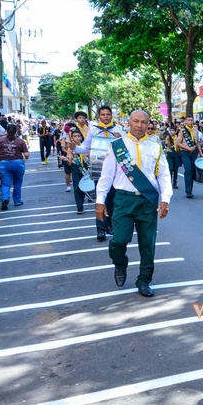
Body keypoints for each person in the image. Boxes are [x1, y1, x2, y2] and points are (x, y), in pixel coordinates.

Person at [95, 110, 172, 297]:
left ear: (148, 124)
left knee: (148, 244)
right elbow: (106, 176)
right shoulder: (117, 146)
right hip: (123, 199)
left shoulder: (156, 146)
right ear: (128, 122)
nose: (139, 125)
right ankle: (120, 264)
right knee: (119, 240)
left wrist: (165, 198)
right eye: (135, 121)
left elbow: (163, 174)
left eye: (143, 122)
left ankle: (144, 280)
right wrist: (100, 200)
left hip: (147, 201)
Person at [68, 105, 124, 241]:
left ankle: (109, 225)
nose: (106, 117)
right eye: (103, 114)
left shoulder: (119, 130)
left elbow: (126, 148)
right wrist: (75, 148)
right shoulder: (93, 131)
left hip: (115, 170)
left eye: (108, 114)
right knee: (100, 198)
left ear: (112, 115)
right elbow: (84, 148)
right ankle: (100, 229)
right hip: (98, 168)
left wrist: (120, 139)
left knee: (112, 199)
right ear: (99, 116)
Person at [0, 123, 29, 211]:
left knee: (5, 183)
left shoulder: (1, 141)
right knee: (17, 183)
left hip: (5, 163)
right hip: (18, 163)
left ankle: (5, 198)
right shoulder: (20, 141)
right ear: (16, 131)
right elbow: (26, 154)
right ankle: (17, 201)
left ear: (6, 130)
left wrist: (0, 158)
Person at [176, 116, 203, 198]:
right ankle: (188, 191)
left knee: (192, 170)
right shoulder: (182, 131)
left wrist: (201, 153)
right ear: (186, 121)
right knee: (188, 170)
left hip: (194, 152)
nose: (190, 121)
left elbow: (197, 142)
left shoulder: (196, 130)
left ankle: (190, 189)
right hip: (185, 152)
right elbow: (178, 143)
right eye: (189, 120)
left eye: (191, 120)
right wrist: (188, 148)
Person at [62, 128, 88, 214]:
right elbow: (69, 161)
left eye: (78, 136)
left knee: (84, 187)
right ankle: (79, 207)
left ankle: (82, 202)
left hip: (84, 168)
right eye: (75, 136)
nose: (77, 138)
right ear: (72, 138)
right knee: (76, 188)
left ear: (81, 137)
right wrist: (67, 160)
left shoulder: (85, 146)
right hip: (75, 168)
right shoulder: (71, 148)